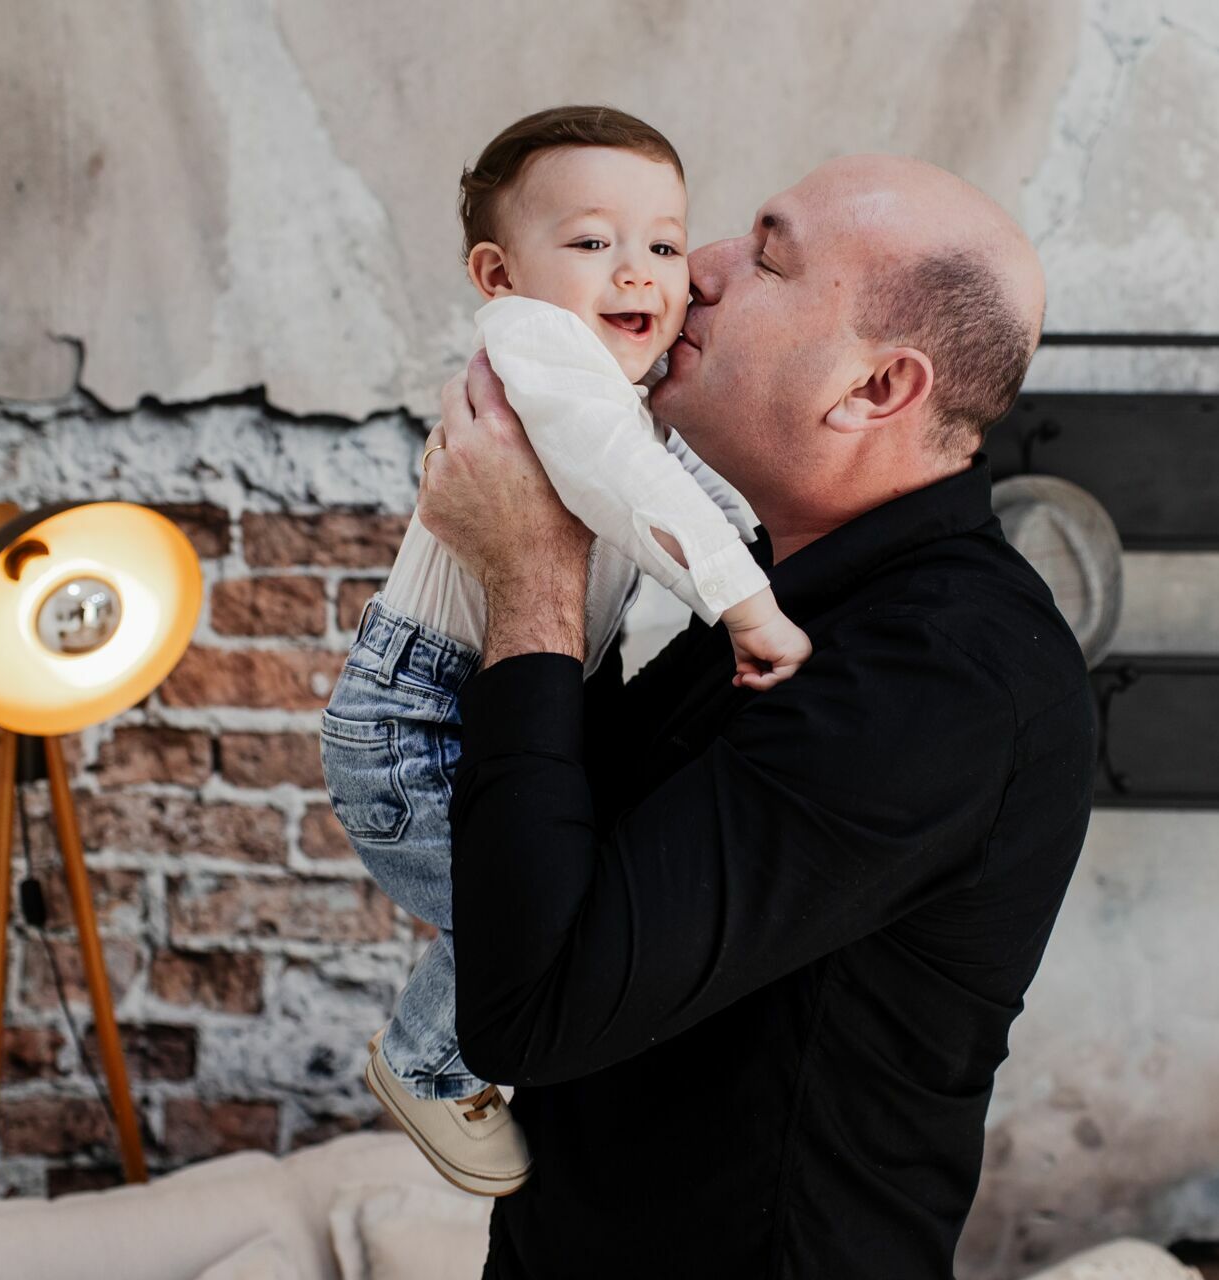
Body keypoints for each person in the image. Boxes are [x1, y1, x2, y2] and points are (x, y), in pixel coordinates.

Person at [416, 152, 1099, 1276]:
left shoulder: (944, 676)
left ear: (875, 390)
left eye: (769, 255)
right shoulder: (778, 588)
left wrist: (533, 570)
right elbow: (550, 851)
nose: (701, 266)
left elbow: (531, 1004)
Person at [319, 105, 812, 1197]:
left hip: (480, 704)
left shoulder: (617, 394)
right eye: (592, 242)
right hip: (416, 724)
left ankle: (471, 1045)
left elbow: (685, 489)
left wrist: (766, 526)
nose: (638, 271)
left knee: (544, 898)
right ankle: (424, 1058)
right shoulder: (530, 345)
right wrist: (747, 604)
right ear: (499, 273)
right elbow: (615, 479)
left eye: (665, 245)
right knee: (532, 915)